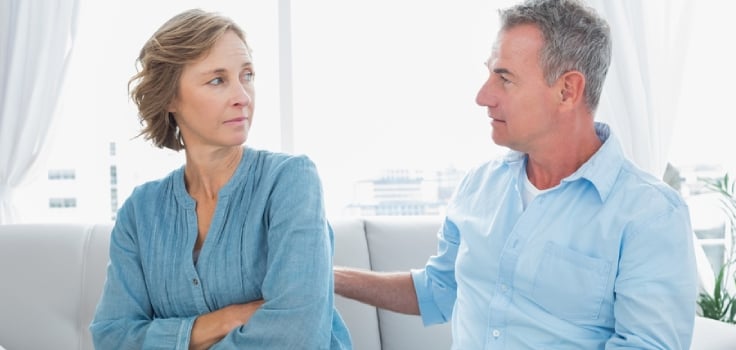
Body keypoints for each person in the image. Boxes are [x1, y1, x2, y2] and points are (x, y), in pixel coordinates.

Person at [334, 0, 698, 349]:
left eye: (504, 78)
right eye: (489, 74)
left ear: (567, 91)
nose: (483, 96)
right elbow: (440, 290)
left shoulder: (650, 215)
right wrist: (330, 277)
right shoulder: (479, 186)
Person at [89, 9, 352, 349]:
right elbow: (112, 338)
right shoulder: (140, 213)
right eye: (217, 80)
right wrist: (225, 320)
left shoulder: (291, 181)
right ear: (170, 97)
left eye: (247, 75)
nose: (242, 96)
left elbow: (296, 335)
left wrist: (175, 338)